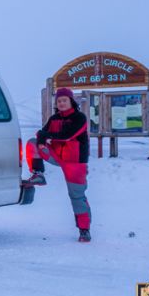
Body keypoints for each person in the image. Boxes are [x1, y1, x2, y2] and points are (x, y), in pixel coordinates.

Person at [24, 87, 92, 242]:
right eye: (59, 101)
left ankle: (84, 230)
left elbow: (67, 135)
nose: (61, 103)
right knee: (32, 143)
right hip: (56, 155)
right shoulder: (54, 118)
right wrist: (42, 142)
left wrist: (47, 136)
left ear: (71, 101)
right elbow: (41, 133)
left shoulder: (79, 118)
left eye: (64, 100)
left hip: (75, 161)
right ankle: (38, 174)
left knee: (77, 196)